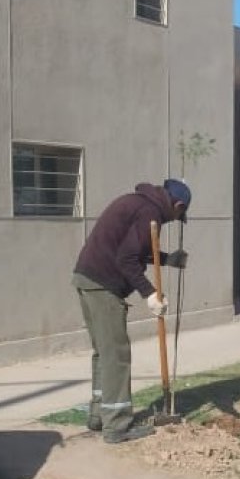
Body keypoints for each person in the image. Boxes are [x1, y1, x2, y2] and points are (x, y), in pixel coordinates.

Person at [72, 178, 191, 444]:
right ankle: (116, 425)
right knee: (116, 355)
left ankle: (99, 416)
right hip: (103, 283)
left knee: (104, 353)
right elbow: (126, 260)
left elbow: (136, 250)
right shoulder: (150, 213)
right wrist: (150, 294)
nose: (176, 220)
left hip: (86, 278)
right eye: (180, 215)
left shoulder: (140, 204)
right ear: (178, 205)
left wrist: (167, 258)